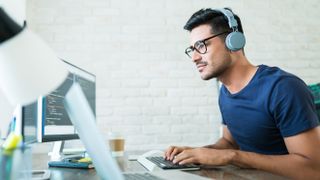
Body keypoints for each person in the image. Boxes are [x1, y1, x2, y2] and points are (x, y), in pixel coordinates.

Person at [164, 8, 320, 179]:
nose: (194, 57)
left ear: (234, 42)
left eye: (201, 46)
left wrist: (233, 156)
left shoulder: (283, 88)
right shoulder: (225, 91)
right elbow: (229, 142)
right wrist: (196, 152)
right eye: (192, 49)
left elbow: (313, 169)